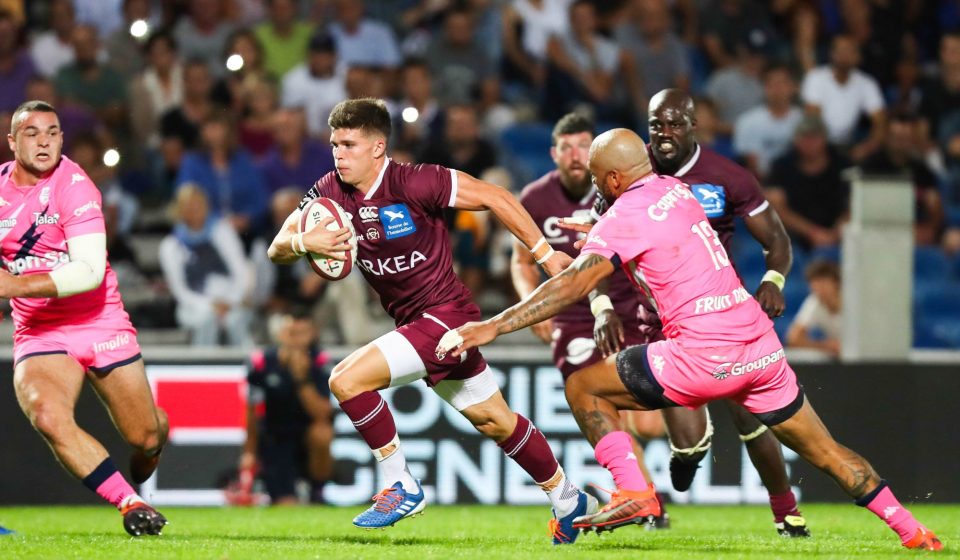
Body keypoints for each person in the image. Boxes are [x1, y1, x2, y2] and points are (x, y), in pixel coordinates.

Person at [440, 128, 943, 551]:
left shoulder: (622, 216)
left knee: (583, 388)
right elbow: (654, 226)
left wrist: (494, 325)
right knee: (828, 452)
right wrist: (599, 224)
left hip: (702, 351)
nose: (595, 187)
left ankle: (635, 490)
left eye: (598, 180)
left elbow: (571, 282)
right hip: (760, 345)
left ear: (613, 178)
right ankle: (912, 529)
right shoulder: (675, 190)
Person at [268, 98, 594, 544]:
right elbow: (277, 245)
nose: (338, 154)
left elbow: (497, 197)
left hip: (446, 316)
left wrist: (542, 253)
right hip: (412, 323)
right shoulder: (331, 190)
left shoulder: (418, 180)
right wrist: (307, 238)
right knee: (495, 420)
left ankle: (399, 483)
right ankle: (568, 497)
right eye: (333, 145)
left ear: (378, 147)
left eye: (348, 144)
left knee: (345, 380)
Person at [588, 89, 807, 537]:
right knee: (689, 445)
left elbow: (778, 242)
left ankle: (787, 513)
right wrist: (603, 304)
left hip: (720, 318)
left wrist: (773, 280)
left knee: (752, 419)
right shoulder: (627, 171)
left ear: (694, 126)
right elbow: (595, 252)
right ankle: (684, 458)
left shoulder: (728, 177)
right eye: (655, 125)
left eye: (673, 124)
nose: (663, 134)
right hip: (656, 323)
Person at [1, 100, 168, 536]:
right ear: (12, 141)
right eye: (32, 132)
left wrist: (12, 285)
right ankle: (129, 503)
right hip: (40, 331)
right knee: (47, 414)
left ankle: (156, 430)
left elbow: (89, 273)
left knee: (146, 438)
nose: (44, 141)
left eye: (53, 133)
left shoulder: (74, 185)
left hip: (99, 322)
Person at [512, 113, 669, 527]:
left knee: (650, 425)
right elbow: (520, 262)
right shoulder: (535, 198)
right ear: (554, 153)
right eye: (566, 146)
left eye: (583, 145)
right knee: (597, 399)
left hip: (627, 306)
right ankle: (647, 503)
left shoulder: (616, 189)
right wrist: (531, 306)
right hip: (572, 315)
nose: (575, 154)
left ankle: (651, 483)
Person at [240, 308, 334, 505]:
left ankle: (317, 489)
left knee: (322, 433)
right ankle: (281, 487)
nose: (297, 340)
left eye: (303, 333)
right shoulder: (262, 362)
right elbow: (252, 409)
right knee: (286, 504)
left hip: (306, 434)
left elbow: (322, 414)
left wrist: (302, 379)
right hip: (276, 437)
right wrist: (249, 452)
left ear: (312, 334)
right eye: (292, 333)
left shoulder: (320, 362)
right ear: (281, 334)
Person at [159, 184, 253, 347]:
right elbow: (180, 291)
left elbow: (241, 271)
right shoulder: (170, 246)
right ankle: (202, 369)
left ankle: (249, 368)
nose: (194, 209)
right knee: (206, 321)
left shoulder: (222, 231)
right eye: (188, 206)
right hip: (194, 305)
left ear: (207, 206)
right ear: (179, 210)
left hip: (231, 301)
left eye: (198, 204)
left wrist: (230, 301)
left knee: (235, 321)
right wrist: (210, 307)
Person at [786, 260, 841, 357]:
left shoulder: (853, 301)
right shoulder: (813, 302)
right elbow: (793, 339)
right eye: (814, 283)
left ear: (835, 283)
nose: (819, 287)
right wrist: (828, 346)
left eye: (823, 281)